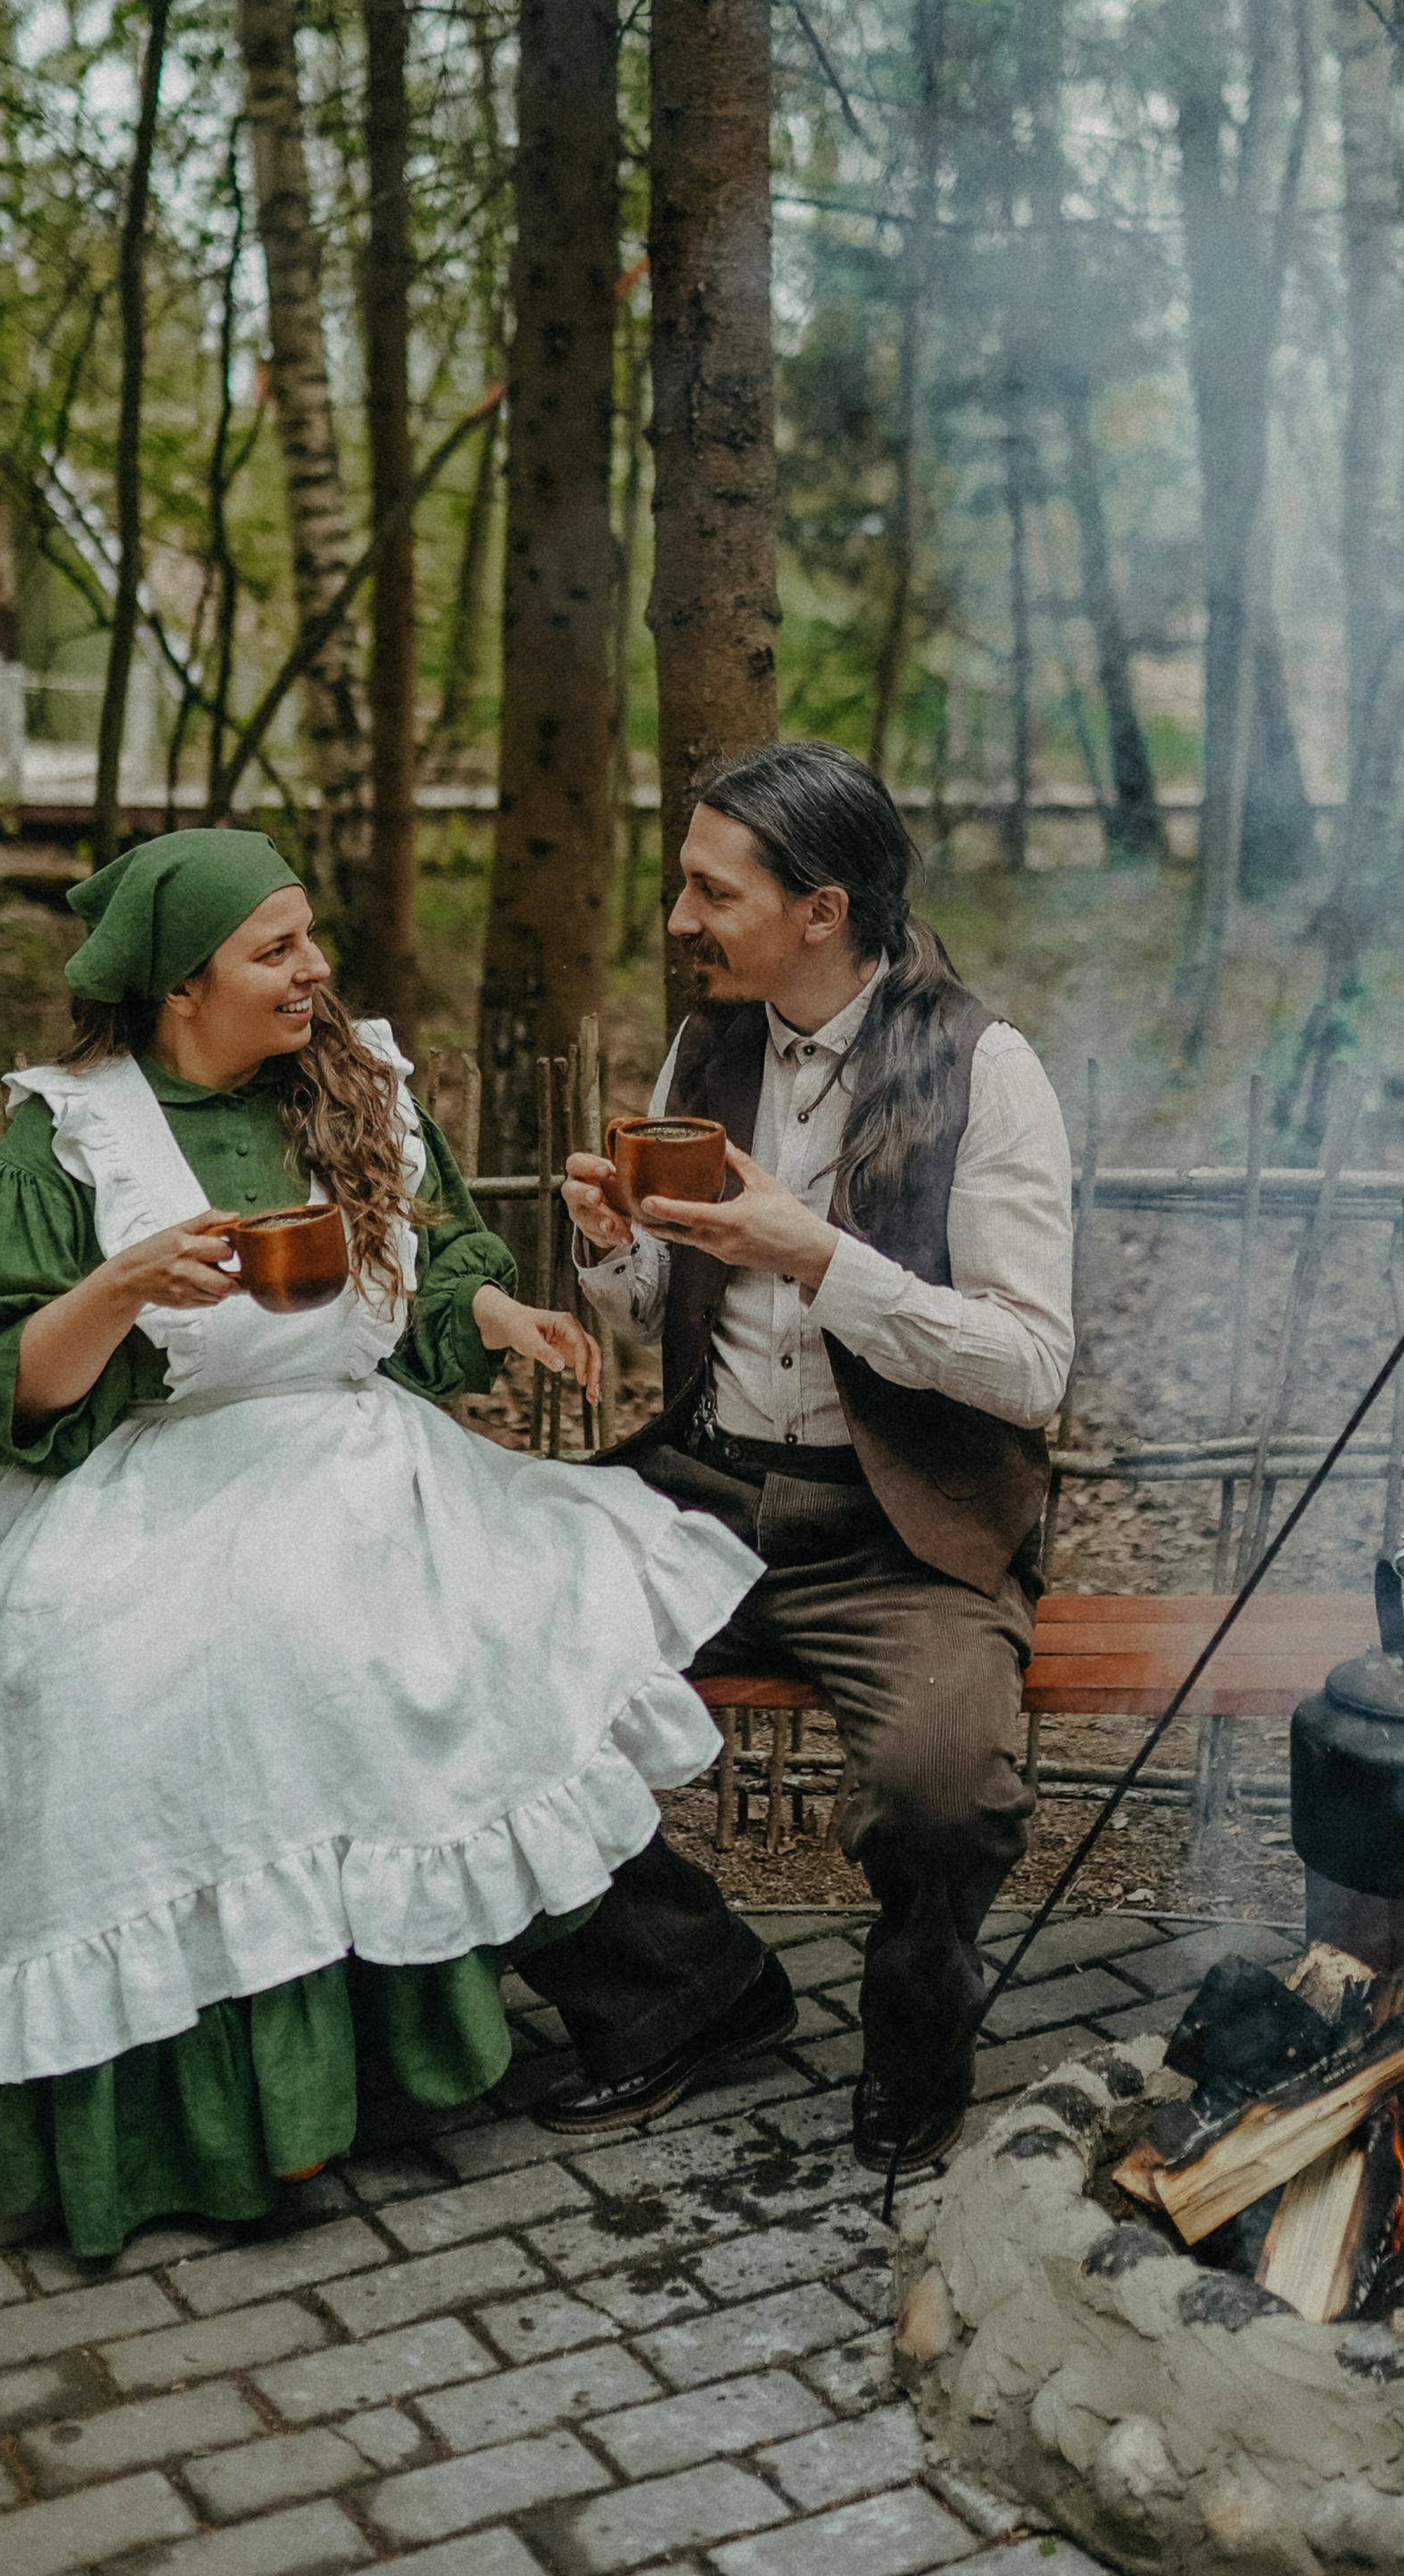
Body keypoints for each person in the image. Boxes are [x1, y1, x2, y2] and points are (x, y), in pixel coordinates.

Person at [0, 828, 761, 2257]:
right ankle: (220, 2118)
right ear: (176, 987)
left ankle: (597, 2006)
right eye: (277, 950)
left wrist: (498, 1316)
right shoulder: (68, 1137)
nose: (315, 971)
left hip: (345, 1454)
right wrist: (123, 1281)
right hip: (130, 1484)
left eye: (310, 938)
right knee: (126, 1685)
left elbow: (428, 1277)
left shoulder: (356, 1093)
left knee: (435, 1641)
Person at [520, 740, 1076, 2177]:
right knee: (455, 1662)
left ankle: (916, 2040)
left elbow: (1029, 1363)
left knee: (943, 1789)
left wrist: (820, 1254)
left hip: (897, 1528)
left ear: (821, 908)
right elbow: (658, 1312)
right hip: (700, 1488)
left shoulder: (986, 1068)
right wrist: (613, 1248)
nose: (677, 919)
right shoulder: (709, 1046)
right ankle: (689, 1991)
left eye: (711, 890)